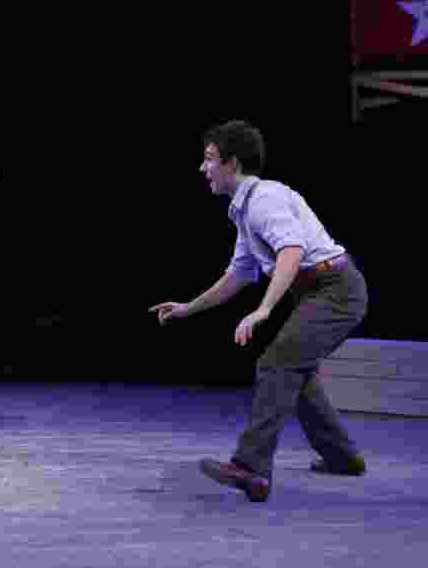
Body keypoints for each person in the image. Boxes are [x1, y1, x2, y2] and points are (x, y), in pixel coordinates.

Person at [149, 120, 368, 501]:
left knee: (277, 364)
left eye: (209, 159)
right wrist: (188, 308)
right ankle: (343, 457)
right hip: (319, 289)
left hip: (336, 289)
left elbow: (291, 251)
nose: (203, 168)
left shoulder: (265, 198)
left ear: (232, 163)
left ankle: (251, 468)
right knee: (294, 369)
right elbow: (237, 275)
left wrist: (264, 309)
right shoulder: (244, 209)